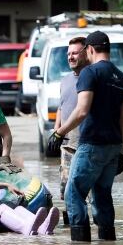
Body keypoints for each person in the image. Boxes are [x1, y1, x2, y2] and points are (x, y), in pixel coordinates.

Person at [53, 31, 123, 242]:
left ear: (90, 49)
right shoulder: (121, 78)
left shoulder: (90, 73)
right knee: (102, 194)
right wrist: (121, 150)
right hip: (113, 145)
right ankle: (107, 243)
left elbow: (82, 111)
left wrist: (59, 132)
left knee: (73, 192)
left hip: (92, 143)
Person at [49, 36, 89, 219]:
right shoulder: (65, 80)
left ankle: (93, 228)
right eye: (68, 53)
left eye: (74, 53)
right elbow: (61, 106)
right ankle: (71, 228)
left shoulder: (92, 78)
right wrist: (56, 131)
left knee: (87, 190)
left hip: (86, 142)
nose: (70, 57)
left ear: (86, 52)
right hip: (66, 144)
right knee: (66, 189)